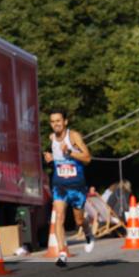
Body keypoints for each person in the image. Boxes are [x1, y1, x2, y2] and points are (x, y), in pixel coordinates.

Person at [43, 109, 93, 267]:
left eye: (58, 120)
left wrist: (70, 152)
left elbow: (87, 158)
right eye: (53, 121)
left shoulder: (73, 136)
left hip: (77, 185)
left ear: (65, 122)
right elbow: (55, 159)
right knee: (59, 216)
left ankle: (88, 233)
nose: (56, 124)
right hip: (60, 185)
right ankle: (62, 252)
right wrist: (50, 160)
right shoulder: (51, 138)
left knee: (79, 219)